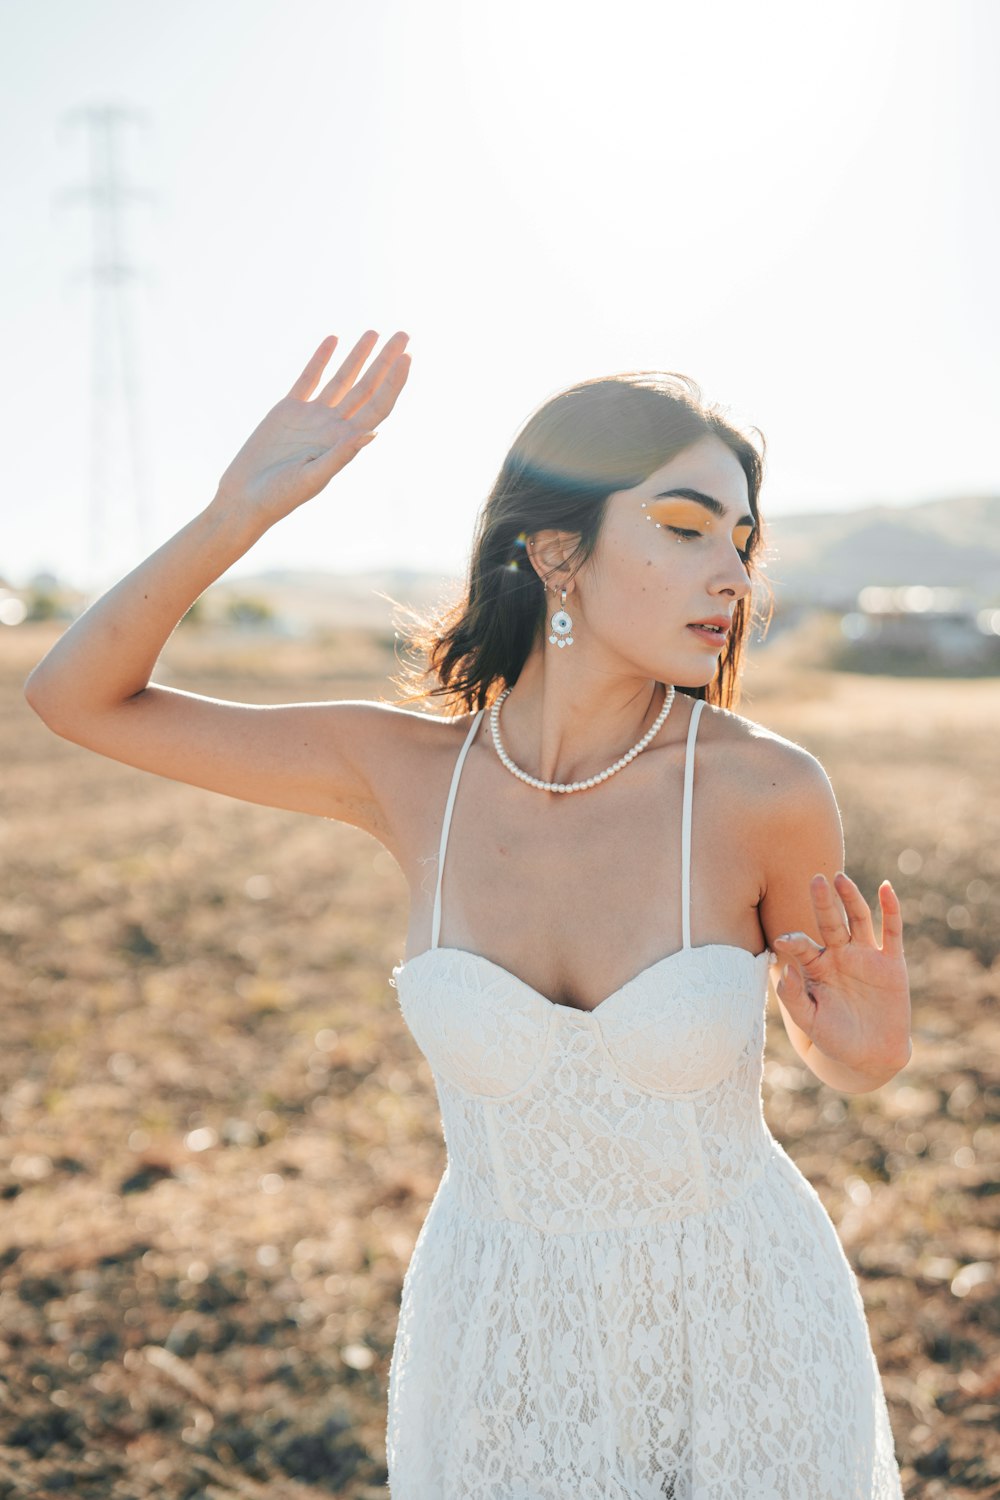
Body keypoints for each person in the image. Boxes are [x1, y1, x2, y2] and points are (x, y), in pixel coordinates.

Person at [24, 329, 911, 1497]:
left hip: (743, 1321)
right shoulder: (406, 774)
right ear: (555, 549)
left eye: (741, 541)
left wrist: (865, 1049)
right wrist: (235, 513)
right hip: (498, 1330)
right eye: (687, 527)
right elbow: (77, 696)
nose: (733, 576)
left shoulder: (764, 789)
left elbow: (840, 1050)